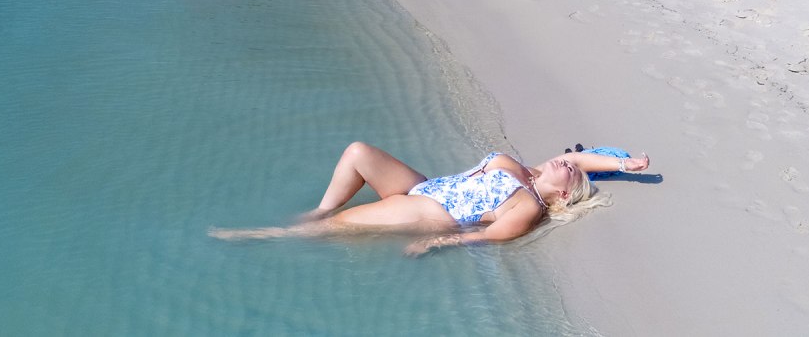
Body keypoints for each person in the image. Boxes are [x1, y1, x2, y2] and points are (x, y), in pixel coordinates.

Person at [212, 141, 649, 255]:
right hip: (424, 186)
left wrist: (439, 242)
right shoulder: (532, 171)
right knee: (358, 153)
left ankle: (263, 235)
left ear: (565, 192)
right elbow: (581, 160)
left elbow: (494, 237)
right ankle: (321, 208)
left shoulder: (530, 205)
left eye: (570, 169)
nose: (567, 161)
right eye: (569, 162)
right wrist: (623, 164)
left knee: (336, 231)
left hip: (432, 211)